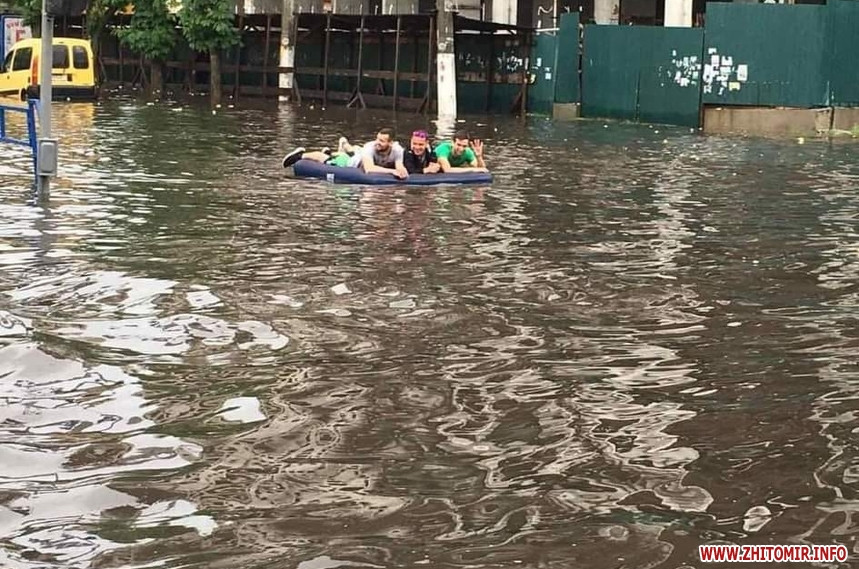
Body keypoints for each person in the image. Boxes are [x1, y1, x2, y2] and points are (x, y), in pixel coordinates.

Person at [281, 137, 355, 168]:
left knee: (318, 155)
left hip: (348, 163)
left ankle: (297, 157)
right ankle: (330, 154)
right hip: (351, 159)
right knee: (354, 150)